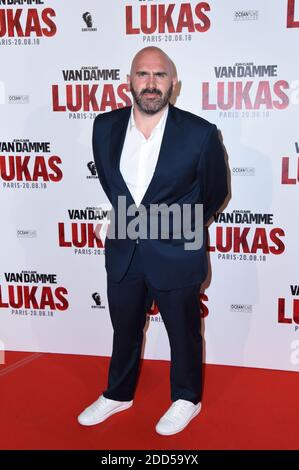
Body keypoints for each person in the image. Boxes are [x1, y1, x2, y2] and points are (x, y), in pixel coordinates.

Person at [77, 46, 228, 435]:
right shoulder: (104, 126)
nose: (150, 83)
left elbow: (214, 192)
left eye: (159, 75)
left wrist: (177, 226)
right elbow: (113, 186)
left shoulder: (200, 133)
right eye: (142, 74)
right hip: (125, 248)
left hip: (177, 250)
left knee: (184, 331)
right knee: (124, 327)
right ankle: (118, 393)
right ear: (129, 81)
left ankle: (187, 398)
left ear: (173, 84)